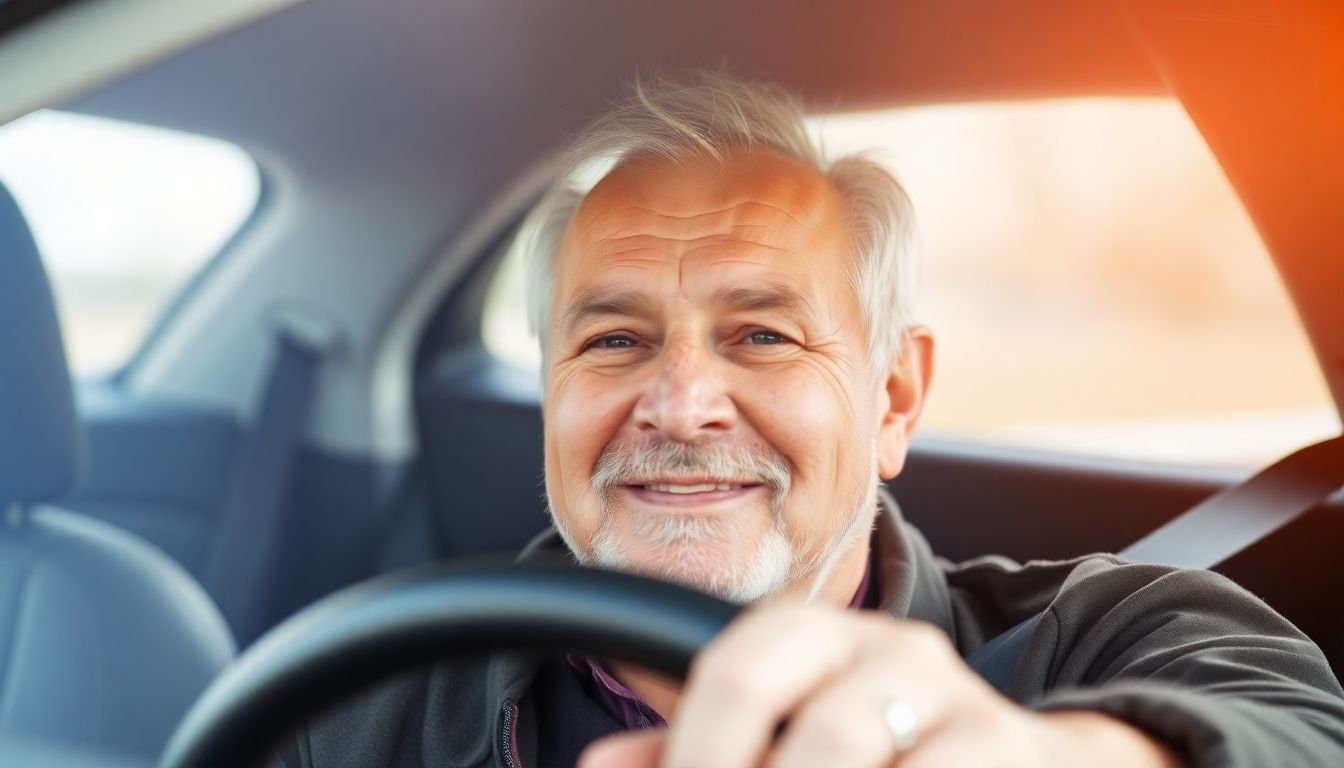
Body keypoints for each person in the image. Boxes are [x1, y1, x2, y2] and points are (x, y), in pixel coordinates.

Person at [280, 72, 1344, 768]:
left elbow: (1296, 734)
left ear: (893, 398)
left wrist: (1049, 755)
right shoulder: (358, 705)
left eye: (761, 336)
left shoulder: (1117, 634)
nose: (681, 405)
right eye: (614, 341)